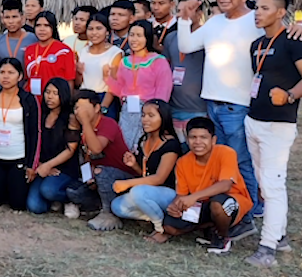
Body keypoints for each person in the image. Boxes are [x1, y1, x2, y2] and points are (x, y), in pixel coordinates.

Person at [177, 0, 296, 237]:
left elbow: (283, 34)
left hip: (239, 106)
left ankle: (250, 212)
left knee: (242, 161)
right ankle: (240, 207)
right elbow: (186, 45)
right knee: (224, 160)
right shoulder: (215, 22)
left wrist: (299, 27)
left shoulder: (255, 20)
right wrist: (185, 18)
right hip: (212, 103)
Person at [243, 0, 302, 266]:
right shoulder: (256, 45)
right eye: (257, 8)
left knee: (273, 185)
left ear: (281, 12)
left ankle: (266, 249)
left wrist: (290, 95)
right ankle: (279, 237)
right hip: (253, 120)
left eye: (265, 8)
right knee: (265, 185)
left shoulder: (293, 41)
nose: (258, 13)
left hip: (278, 124)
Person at [161, 117, 253, 255]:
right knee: (169, 227)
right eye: (193, 137)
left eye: (203, 137)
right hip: (201, 204)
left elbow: (226, 185)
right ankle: (210, 226)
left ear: (213, 140)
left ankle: (222, 237)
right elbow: (182, 195)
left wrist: (193, 197)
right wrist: (175, 206)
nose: (198, 142)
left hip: (231, 200)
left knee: (217, 204)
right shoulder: (183, 162)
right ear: (187, 140)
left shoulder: (226, 153)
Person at [110, 100, 182, 242]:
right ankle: (157, 215)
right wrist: (134, 165)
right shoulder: (144, 140)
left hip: (168, 194)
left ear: (163, 118)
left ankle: (160, 228)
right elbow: (145, 174)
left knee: (137, 192)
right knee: (117, 206)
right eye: (143, 115)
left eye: (151, 115)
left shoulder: (171, 144)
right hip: (148, 192)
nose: (145, 119)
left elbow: (159, 178)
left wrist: (127, 183)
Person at [67, 89, 138, 230]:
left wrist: (86, 122)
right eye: (77, 108)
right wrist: (89, 177)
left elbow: (96, 148)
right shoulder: (84, 129)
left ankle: (109, 214)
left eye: (84, 108)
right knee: (73, 192)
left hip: (123, 177)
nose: (79, 113)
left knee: (102, 172)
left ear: (97, 108)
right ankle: (99, 205)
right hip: (101, 177)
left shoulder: (108, 124)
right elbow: (87, 156)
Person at [104, 20, 173, 150]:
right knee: (124, 146)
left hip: (149, 111)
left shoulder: (158, 61)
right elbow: (119, 88)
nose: (134, 39)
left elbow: (164, 91)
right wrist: (108, 78)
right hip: (127, 111)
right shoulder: (125, 61)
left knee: (143, 146)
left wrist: (155, 113)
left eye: (139, 35)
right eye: (132, 35)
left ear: (147, 37)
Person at [0, 58, 40, 210]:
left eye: (11, 73)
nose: (6, 76)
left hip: (18, 158)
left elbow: (36, 133)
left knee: (18, 205)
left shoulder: (29, 100)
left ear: (20, 76)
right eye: (2, 72)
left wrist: (31, 165)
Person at [26, 78, 80, 218]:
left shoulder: (70, 117)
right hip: (43, 166)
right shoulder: (40, 114)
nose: (49, 96)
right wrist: (41, 165)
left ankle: (71, 199)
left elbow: (70, 150)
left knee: (48, 190)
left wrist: (48, 166)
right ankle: (55, 200)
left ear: (63, 94)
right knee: (35, 206)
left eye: (55, 93)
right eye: (47, 92)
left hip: (64, 167)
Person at [161, 0, 207, 150]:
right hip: (173, 107)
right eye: (179, 11)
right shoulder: (171, 38)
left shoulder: (207, 38)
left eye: (188, 10)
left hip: (199, 109)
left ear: (200, 14)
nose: (181, 15)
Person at [76, 14, 123, 120]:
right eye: (90, 29)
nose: (94, 33)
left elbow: (113, 86)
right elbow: (79, 82)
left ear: (107, 32)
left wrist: (103, 107)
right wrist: (78, 72)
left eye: (99, 28)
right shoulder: (82, 52)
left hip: (105, 98)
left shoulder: (115, 53)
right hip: (84, 97)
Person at [25, 11, 75, 96]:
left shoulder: (64, 51)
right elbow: (27, 78)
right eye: (38, 25)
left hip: (54, 99)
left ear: (53, 27)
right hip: (32, 98)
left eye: (46, 25)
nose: (42, 29)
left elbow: (69, 80)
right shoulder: (29, 49)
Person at [0, 0, 38, 73]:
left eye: (14, 17)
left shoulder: (34, 39)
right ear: (2, 19)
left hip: (27, 84)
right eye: (7, 17)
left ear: (22, 18)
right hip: (4, 84)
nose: (11, 21)